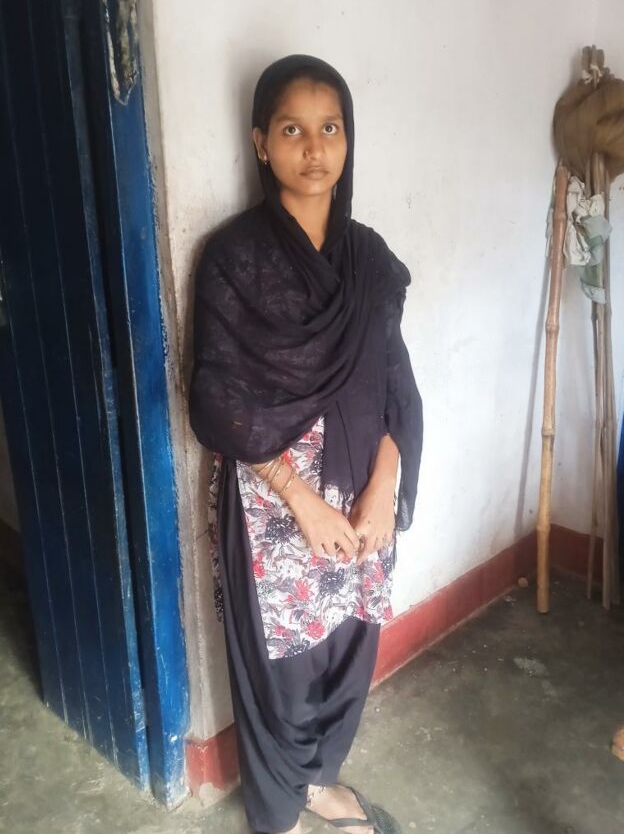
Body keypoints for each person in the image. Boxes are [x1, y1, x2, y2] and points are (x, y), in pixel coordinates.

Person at [188, 54, 423, 834]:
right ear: (261, 142)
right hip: (275, 499)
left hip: (361, 494)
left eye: (331, 128)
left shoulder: (369, 259)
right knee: (282, 670)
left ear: (348, 139)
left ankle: (318, 781)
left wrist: (383, 485)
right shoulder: (235, 259)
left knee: (350, 648)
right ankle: (279, 811)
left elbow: (395, 382)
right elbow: (216, 398)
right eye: (293, 130)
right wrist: (301, 500)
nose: (315, 148)